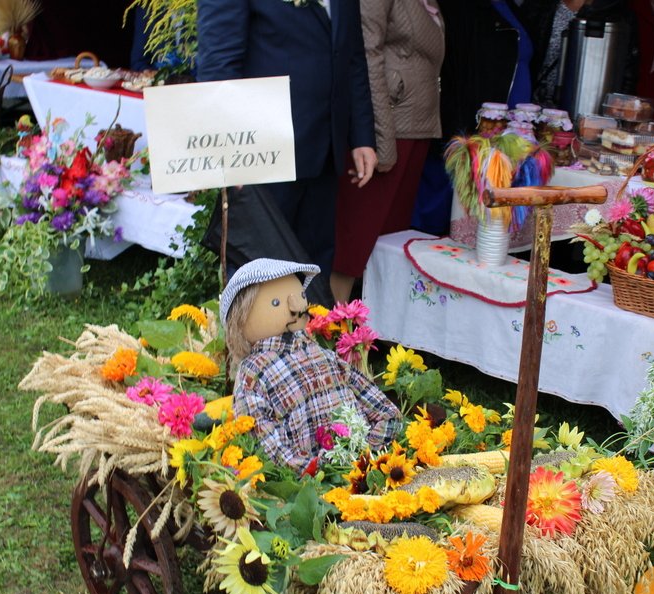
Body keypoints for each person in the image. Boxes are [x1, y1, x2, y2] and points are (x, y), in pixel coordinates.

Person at [196, 0, 378, 305]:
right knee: (258, 267)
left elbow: (352, 55)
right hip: (262, 149)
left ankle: (309, 331)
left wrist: (362, 136)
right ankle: (250, 334)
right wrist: (228, 148)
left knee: (315, 262)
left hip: (326, 146)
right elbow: (218, 63)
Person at [221, 259, 401, 471]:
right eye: (276, 303)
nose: (297, 307)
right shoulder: (254, 372)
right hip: (312, 479)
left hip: (361, 463)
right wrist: (320, 469)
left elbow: (380, 406)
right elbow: (264, 439)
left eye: (300, 296)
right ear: (240, 317)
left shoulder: (323, 355)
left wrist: (368, 450)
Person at [329, 0, 445, 303]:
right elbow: (367, 55)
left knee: (389, 245)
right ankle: (329, 325)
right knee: (352, 246)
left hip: (415, 127)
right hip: (385, 130)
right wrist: (379, 139)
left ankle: (367, 325)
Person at [410, 0, 532, 234]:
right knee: (437, 224)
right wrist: (470, 137)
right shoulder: (459, 9)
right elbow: (456, 75)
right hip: (463, 138)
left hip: (504, 139)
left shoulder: (509, 7)